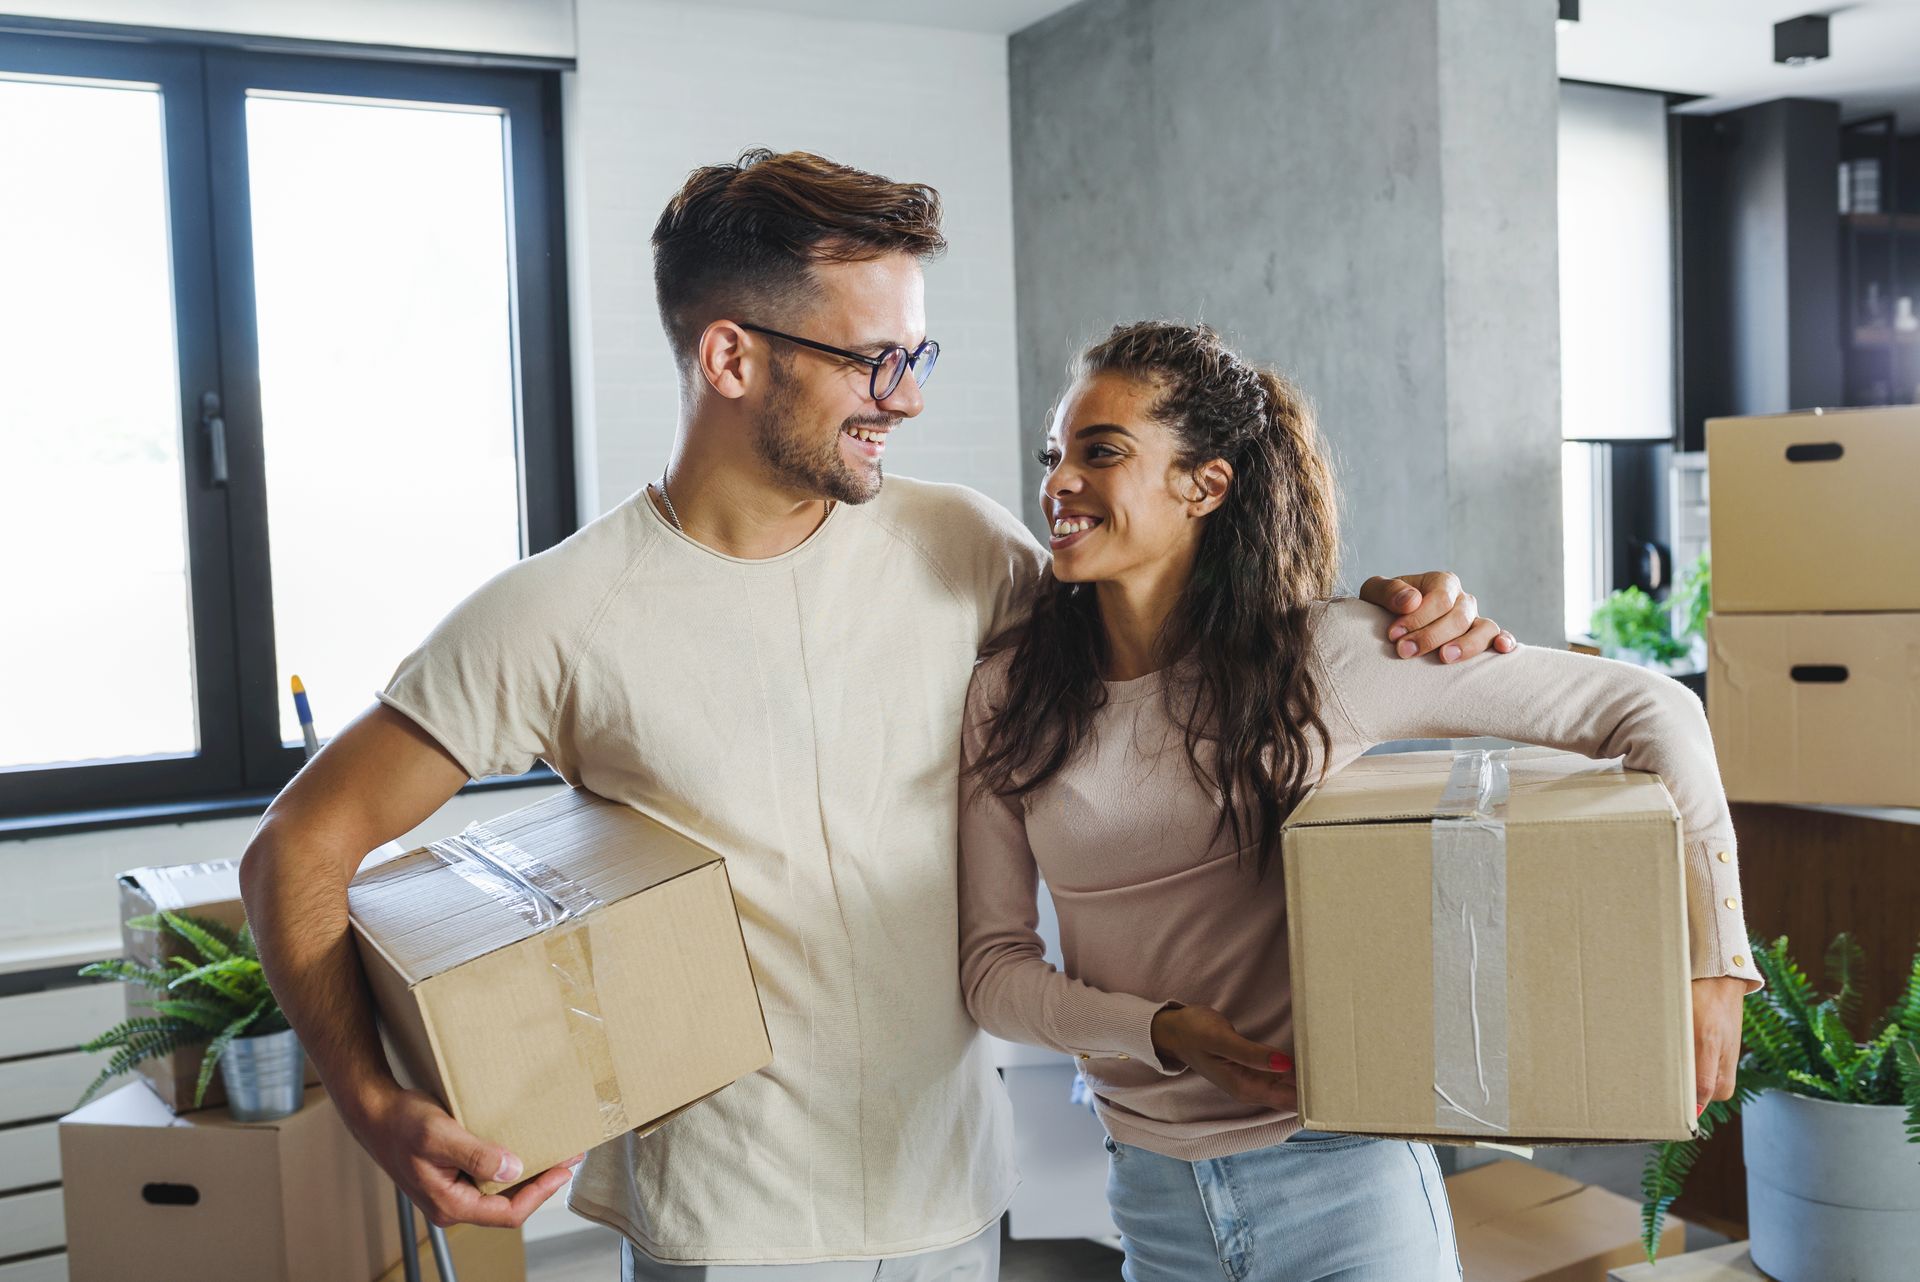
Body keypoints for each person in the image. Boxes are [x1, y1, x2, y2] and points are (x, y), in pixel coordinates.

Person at [238, 151, 1513, 1280]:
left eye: (917, 355)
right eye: (872, 360)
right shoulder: (556, 613)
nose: (905, 397)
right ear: (731, 357)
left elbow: (1181, 646)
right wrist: (367, 1098)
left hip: (954, 1204)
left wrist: (1390, 608)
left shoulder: (967, 547)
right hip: (724, 1227)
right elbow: (297, 847)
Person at [958, 321, 1761, 1282]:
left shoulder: (1325, 658)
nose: (1059, 482)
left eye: (1102, 452)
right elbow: (992, 974)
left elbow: (1651, 706)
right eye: (1055, 455)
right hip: (1150, 1197)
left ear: (1204, 486)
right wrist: (1159, 1031)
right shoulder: (1010, 696)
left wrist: (1716, 965)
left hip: (1344, 1180)